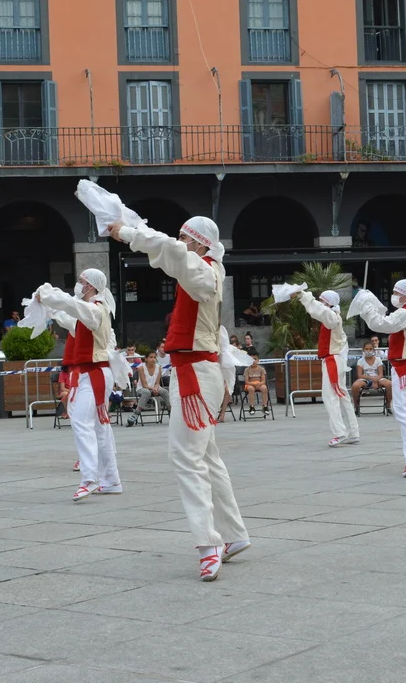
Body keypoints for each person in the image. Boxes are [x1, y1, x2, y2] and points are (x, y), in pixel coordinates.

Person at [110, 214, 250, 582]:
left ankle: (209, 543)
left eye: (187, 238)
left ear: (201, 243)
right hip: (196, 371)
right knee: (207, 458)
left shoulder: (204, 271)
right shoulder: (205, 270)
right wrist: (133, 228)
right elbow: (172, 251)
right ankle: (233, 534)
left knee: (186, 458)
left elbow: (170, 250)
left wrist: (128, 233)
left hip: (195, 375)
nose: (182, 243)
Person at [36, 269, 124, 502]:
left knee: (82, 422)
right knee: (99, 428)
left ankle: (90, 478)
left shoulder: (94, 309)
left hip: (95, 373)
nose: (78, 284)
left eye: (81, 281)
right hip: (91, 373)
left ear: (91, 286)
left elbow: (71, 305)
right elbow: (68, 315)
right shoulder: (88, 313)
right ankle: (111, 480)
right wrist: (48, 304)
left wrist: (49, 295)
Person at [350, 279, 406, 478]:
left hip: (404, 365)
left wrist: (368, 307)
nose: (394, 296)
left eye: (397, 293)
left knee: (403, 411)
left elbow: (382, 324)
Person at [297, 288, 360, 447]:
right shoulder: (332, 316)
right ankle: (353, 432)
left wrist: (302, 295)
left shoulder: (332, 317)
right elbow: (317, 311)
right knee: (341, 395)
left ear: (328, 303)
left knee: (330, 395)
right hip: (334, 359)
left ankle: (340, 433)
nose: (319, 303)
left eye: (322, 300)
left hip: (333, 360)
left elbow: (318, 311)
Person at [129, 351, 170, 426]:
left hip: (154, 387)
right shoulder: (141, 368)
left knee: (165, 391)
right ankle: (136, 413)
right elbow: (144, 385)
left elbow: (157, 383)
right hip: (142, 388)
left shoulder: (159, 367)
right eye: (151, 357)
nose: (153, 359)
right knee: (146, 392)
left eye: (154, 357)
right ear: (146, 359)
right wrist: (152, 388)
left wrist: (156, 388)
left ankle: (170, 412)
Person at [352, 340, 391, 413]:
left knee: (389, 384)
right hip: (365, 379)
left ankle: (388, 405)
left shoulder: (378, 360)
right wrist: (371, 379)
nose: (368, 351)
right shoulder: (360, 361)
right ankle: (356, 406)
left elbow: (380, 374)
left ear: (373, 350)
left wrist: (375, 380)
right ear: (363, 350)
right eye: (366, 349)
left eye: (370, 349)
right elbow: (360, 375)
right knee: (355, 386)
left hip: (377, 378)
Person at [242, 348, 270, 413]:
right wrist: (253, 384)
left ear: (258, 360)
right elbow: (246, 381)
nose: (253, 361)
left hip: (259, 384)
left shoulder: (261, 369)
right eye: (251, 360)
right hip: (250, 384)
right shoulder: (247, 370)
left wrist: (260, 384)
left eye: (255, 359)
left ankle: (265, 406)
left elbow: (263, 380)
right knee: (251, 389)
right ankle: (252, 406)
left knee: (264, 388)